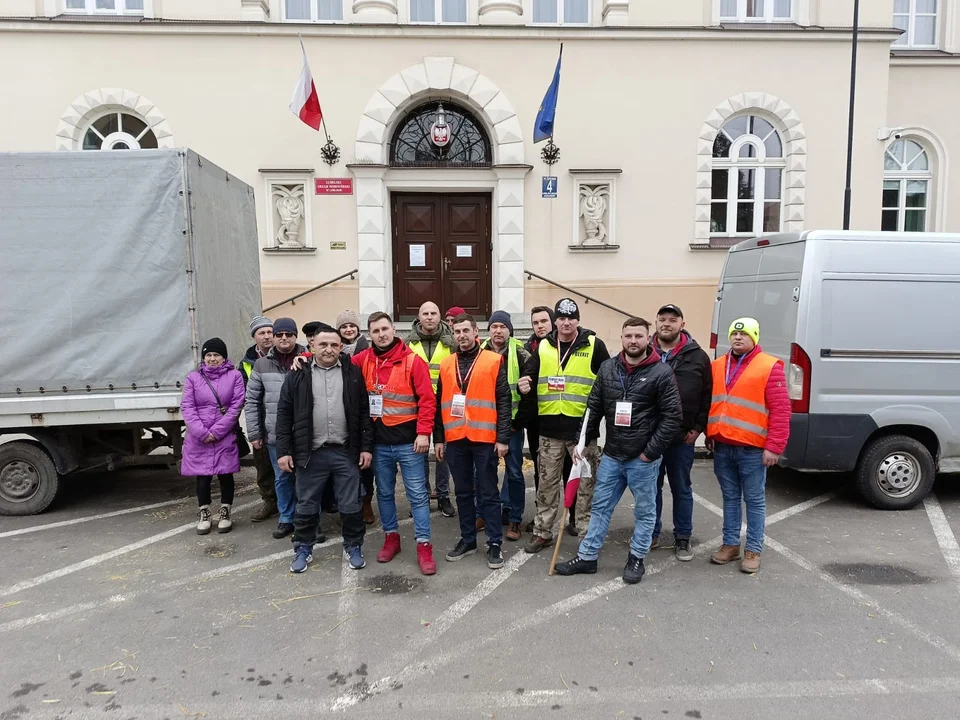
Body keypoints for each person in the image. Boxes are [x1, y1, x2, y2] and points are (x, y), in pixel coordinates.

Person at [555, 318, 682, 583]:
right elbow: (593, 409)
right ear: (621, 338)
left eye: (638, 336)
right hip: (612, 455)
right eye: (628, 336)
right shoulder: (608, 368)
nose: (633, 341)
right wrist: (581, 441)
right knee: (600, 507)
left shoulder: (661, 373)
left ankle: (636, 558)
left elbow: (672, 417)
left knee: (645, 512)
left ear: (649, 338)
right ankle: (588, 557)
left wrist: (650, 452)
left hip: (642, 459)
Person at [275, 325, 373, 573]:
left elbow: (364, 413)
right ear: (312, 347)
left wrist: (365, 448)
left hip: (345, 452)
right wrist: (284, 451)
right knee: (306, 505)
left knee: (351, 504)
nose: (329, 349)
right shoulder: (297, 374)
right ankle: (303, 549)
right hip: (310, 453)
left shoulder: (352, 373)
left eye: (334, 345)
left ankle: (353, 546)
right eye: (323, 344)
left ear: (341, 347)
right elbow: (284, 415)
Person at [519, 298, 609, 554]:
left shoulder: (594, 345)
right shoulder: (545, 346)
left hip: (582, 433)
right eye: (561, 318)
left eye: (571, 318)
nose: (566, 323)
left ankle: (585, 533)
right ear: (555, 320)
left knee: (585, 485)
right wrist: (523, 384)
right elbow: (530, 376)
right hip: (549, 431)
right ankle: (542, 532)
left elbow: (607, 383)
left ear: (578, 320)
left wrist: (597, 424)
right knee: (546, 485)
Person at [353, 312, 438, 575]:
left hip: (410, 443)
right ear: (369, 335)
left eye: (385, 329)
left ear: (394, 330)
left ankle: (424, 545)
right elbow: (330, 360)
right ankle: (392, 538)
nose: (381, 334)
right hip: (378, 445)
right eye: (375, 331)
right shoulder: (361, 361)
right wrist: (304, 358)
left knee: (417, 496)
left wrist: (424, 433)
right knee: (385, 494)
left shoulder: (413, 361)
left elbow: (427, 400)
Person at [706, 318, 790, 574]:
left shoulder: (769, 366)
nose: (738, 338)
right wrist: (709, 433)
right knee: (730, 498)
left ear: (755, 337)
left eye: (744, 334)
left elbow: (781, 409)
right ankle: (730, 544)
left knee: (754, 500)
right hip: (723, 445)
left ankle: (753, 549)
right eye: (734, 334)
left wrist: (774, 446)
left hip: (752, 449)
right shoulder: (718, 365)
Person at [434, 314, 512, 569]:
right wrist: (439, 439)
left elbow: (503, 400)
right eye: (457, 331)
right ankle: (468, 539)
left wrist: (502, 438)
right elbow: (438, 405)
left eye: (466, 330)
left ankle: (494, 543)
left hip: (484, 438)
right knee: (464, 492)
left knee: (488, 493)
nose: (461, 336)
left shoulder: (493, 360)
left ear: (476, 331)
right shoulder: (446, 364)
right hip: (456, 439)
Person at [650, 304, 712, 561]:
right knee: (650, 488)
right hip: (650, 435)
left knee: (681, 488)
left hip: (681, 436)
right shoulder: (644, 351)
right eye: (662, 319)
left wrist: (698, 428)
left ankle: (683, 538)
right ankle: (650, 533)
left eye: (672, 320)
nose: (666, 323)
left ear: (682, 325)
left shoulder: (697, 356)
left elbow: (707, 394)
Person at [244, 317, 306, 540]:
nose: (283, 339)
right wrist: (254, 433)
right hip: (274, 435)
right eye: (279, 335)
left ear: (294, 336)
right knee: (281, 478)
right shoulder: (261, 365)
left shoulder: (308, 359)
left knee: (306, 478)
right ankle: (286, 518)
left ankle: (305, 519)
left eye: (288, 334)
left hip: (304, 433)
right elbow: (251, 401)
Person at [182, 338, 247, 535]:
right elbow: (187, 406)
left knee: (225, 474)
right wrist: (202, 432)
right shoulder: (193, 378)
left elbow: (237, 405)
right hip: (198, 436)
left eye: (216, 355)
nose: (212, 359)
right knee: (202, 476)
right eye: (208, 355)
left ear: (224, 357)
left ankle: (225, 511)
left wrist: (217, 431)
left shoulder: (235, 376)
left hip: (224, 434)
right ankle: (204, 512)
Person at [481, 310, 533, 541]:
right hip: (484, 424)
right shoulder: (479, 351)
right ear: (489, 330)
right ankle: (486, 513)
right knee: (484, 472)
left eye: (502, 326)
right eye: (494, 326)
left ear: (509, 330)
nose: (498, 330)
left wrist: (517, 422)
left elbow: (529, 393)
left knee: (513, 472)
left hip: (511, 425)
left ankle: (514, 518)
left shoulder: (521, 353)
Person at [407, 301, 457, 518]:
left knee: (442, 452)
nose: (429, 317)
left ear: (440, 317)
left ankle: (444, 495)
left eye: (433, 313)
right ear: (419, 317)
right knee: (419, 452)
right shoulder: (407, 343)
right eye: (425, 313)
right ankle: (423, 496)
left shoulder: (452, 342)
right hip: (416, 403)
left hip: (444, 402)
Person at [239, 315, 278, 523]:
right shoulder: (246, 363)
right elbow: (248, 398)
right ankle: (270, 502)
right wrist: (253, 431)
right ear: (254, 337)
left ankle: (292, 505)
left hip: (280, 421)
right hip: (260, 421)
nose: (267, 337)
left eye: (270, 332)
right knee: (263, 467)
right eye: (261, 333)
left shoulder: (284, 355)